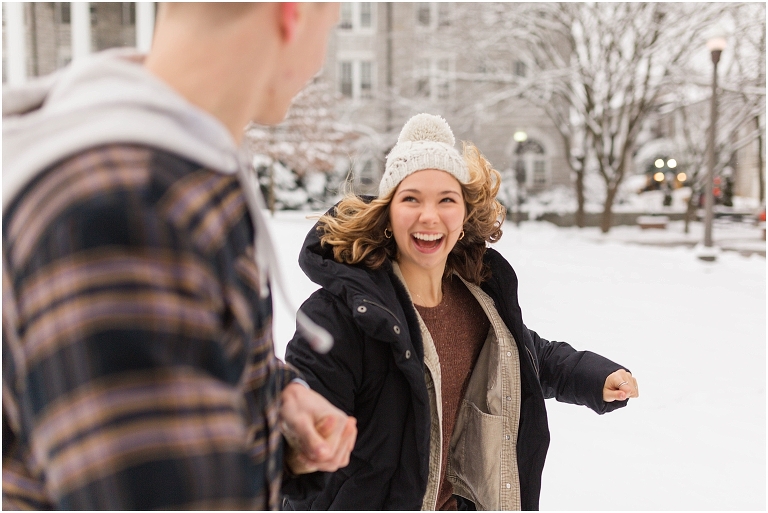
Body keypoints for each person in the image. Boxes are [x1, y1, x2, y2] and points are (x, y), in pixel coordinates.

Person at [2, 3, 356, 510]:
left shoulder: (165, 173)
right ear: (292, 14)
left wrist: (274, 401)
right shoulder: (122, 210)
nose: (321, 59)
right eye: (333, 22)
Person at [282, 113, 640, 510]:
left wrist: (590, 374)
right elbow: (303, 409)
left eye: (446, 200)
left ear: (464, 214)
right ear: (387, 214)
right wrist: (299, 437)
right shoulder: (341, 315)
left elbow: (523, 354)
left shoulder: (478, 299)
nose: (429, 216)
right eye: (411, 198)